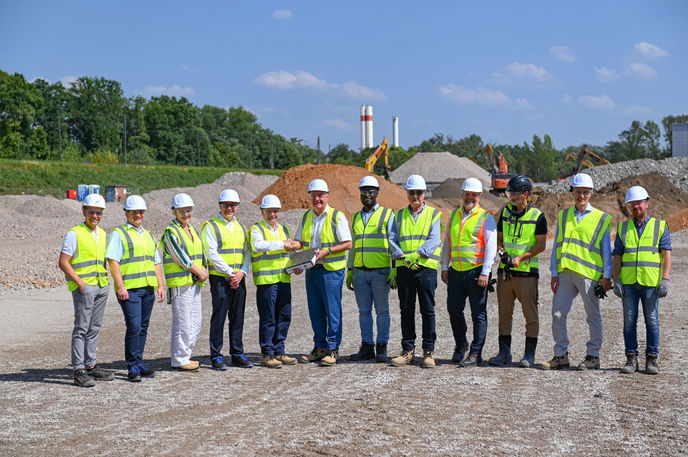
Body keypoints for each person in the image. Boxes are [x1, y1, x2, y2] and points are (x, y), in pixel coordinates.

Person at [544, 173, 612, 371]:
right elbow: (557, 245)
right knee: (557, 313)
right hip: (565, 272)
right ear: (572, 192)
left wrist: (607, 276)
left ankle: (593, 356)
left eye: (585, 192)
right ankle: (560, 355)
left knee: (592, 315)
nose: (581, 196)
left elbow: (606, 250)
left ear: (591, 193)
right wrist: (554, 272)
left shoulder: (601, 218)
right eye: (578, 192)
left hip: (589, 274)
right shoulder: (564, 215)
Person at [488, 175, 546, 368]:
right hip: (505, 273)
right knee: (504, 314)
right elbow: (499, 240)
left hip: (527, 275)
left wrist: (521, 258)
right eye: (510, 193)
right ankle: (504, 353)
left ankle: (529, 355)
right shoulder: (505, 213)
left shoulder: (538, 216)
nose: (510, 197)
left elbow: (541, 245)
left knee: (530, 315)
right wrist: (502, 253)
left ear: (526, 194)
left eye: (514, 194)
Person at [292, 179, 352, 367]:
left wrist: (328, 251)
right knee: (316, 311)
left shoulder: (336, 216)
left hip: (331, 271)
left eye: (320, 195)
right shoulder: (306, 217)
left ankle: (333, 349)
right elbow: (301, 242)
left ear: (327, 196)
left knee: (332, 311)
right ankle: (320, 348)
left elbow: (348, 243)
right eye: (314, 195)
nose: (317, 198)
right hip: (312, 270)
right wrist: (295, 258)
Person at [612, 186, 671, 375]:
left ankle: (651, 360)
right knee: (629, 322)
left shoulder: (660, 226)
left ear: (647, 203)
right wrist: (616, 279)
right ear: (629, 206)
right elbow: (617, 256)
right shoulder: (623, 228)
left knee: (652, 321)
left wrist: (665, 279)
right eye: (632, 203)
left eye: (639, 202)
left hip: (650, 283)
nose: (636, 206)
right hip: (628, 283)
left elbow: (666, 254)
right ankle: (631, 359)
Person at [107, 195, 166, 382]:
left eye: (141, 212)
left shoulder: (148, 235)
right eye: (134, 212)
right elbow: (113, 261)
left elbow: (156, 261)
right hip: (130, 289)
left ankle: (139, 362)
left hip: (148, 288)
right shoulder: (119, 234)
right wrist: (120, 286)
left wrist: (160, 285)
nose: (138, 215)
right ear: (126, 213)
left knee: (143, 326)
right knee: (133, 327)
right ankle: (132, 365)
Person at [440, 178, 497, 367]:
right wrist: (444, 266)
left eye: (474, 195)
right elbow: (447, 242)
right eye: (467, 194)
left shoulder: (485, 217)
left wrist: (486, 272)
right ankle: (461, 344)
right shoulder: (454, 215)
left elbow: (491, 247)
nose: (470, 197)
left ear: (479, 196)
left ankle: (475, 352)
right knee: (454, 310)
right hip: (456, 271)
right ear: (462, 194)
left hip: (476, 272)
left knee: (478, 313)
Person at [59, 193, 114, 387]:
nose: (95, 216)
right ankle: (79, 369)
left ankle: (91, 365)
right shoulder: (74, 233)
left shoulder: (103, 234)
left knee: (94, 328)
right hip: (85, 287)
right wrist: (79, 282)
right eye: (91, 212)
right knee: (81, 328)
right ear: (84, 212)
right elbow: (63, 262)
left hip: (101, 286)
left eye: (99, 213)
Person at [389, 175, 442, 369]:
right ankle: (408, 350)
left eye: (418, 192)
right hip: (405, 268)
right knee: (406, 310)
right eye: (411, 192)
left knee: (427, 311)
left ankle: (429, 352)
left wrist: (417, 255)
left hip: (425, 268)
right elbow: (392, 238)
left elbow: (434, 238)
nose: (415, 196)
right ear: (407, 193)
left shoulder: (434, 214)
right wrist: (402, 257)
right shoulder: (398, 215)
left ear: (424, 193)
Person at [346, 176, 395, 363]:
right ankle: (367, 346)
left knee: (382, 311)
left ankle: (382, 346)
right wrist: (350, 269)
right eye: (364, 191)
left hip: (381, 272)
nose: (367, 194)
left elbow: (393, 243)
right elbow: (354, 246)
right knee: (363, 311)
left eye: (371, 191)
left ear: (377, 193)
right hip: (360, 272)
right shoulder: (356, 217)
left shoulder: (387, 214)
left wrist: (394, 268)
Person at [202, 189, 252, 370]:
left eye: (233, 205)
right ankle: (216, 355)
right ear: (220, 206)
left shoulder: (241, 227)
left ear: (237, 207)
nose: (229, 208)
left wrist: (242, 272)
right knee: (219, 316)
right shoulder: (211, 226)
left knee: (238, 316)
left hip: (239, 278)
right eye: (226, 205)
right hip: (220, 278)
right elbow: (211, 253)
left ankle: (237, 353)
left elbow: (247, 252)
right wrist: (231, 273)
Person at [160, 193, 208, 372]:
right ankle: (179, 359)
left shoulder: (192, 229)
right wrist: (199, 271)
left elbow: (200, 252)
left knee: (196, 321)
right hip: (180, 284)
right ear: (174, 211)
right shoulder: (171, 232)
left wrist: (203, 270)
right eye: (182, 211)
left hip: (194, 283)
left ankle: (186, 355)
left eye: (188, 210)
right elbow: (181, 258)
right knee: (183, 323)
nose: (186, 214)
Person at [249, 194, 298, 369]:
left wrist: (296, 265)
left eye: (275, 211)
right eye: (269, 211)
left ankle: (279, 350)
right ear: (262, 211)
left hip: (283, 279)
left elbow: (288, 251)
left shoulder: (283, 229)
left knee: (284, 316)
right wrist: (283, 244)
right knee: (268, 318)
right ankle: (267, 353)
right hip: (267, 281)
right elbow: (258, 246)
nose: (272, 214)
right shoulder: (256, 229)